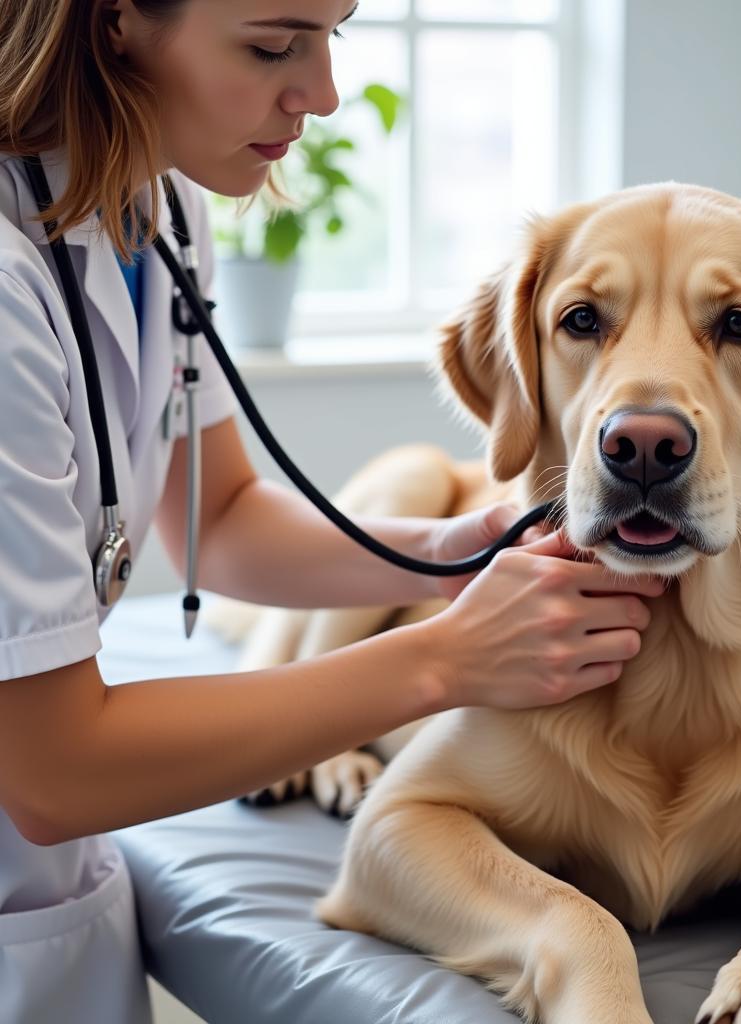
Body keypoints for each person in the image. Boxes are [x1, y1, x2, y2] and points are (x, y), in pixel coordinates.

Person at [0, 2, 665, 1020]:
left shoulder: (159, 211)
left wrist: (451, 551)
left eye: (331, 36)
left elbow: (215, 517)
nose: (321, 93)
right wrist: (445, 658)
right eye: (273, 45)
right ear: (119, 21)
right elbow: (55, 772)